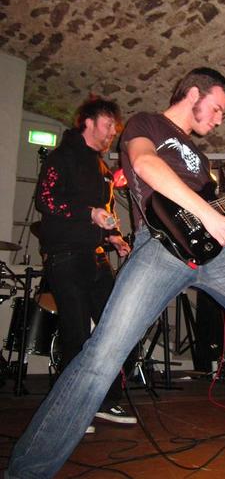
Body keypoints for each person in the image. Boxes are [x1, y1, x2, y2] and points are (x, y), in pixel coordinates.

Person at [7, 68, 225, 477]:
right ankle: (27, 471)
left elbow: (218, 227)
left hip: (211, 257)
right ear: (193, 93)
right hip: (159, 249)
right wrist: (209, 214)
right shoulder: (147, 124)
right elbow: (145, 164)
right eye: (217, 108)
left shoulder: (202, 161)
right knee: (102, 355)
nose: (219, 119)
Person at [34, 98, 135, 431]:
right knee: (76, 333)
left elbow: (104, 215)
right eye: (107, 125)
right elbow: (46, 199)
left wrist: (114, 237)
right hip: (65, 257)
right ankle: (69, 410)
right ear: (88, 122)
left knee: (115, 328)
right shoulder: (61, 157)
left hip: (96, 256)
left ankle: (105, 401)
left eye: (114, 128)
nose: (112, 133)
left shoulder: (102, 169)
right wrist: (89, 213)